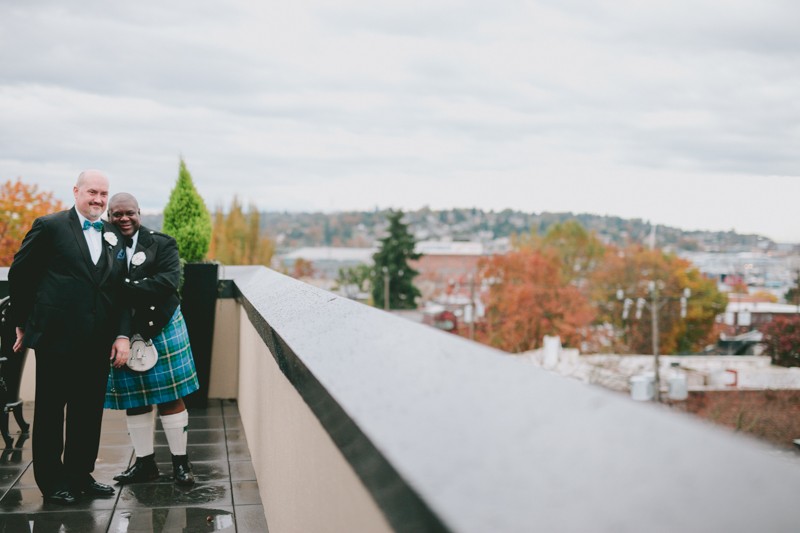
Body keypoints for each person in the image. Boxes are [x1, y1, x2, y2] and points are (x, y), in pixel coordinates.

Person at [8, 169, 131, 505]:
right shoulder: (50, 226)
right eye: (92, 192)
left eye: (104, 194)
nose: (98, 200)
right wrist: (22, 321)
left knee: (88, 411)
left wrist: (121, 334)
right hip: (56, 339)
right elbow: (21, 274)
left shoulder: (112, 234)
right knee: (50, 412)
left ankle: (80, 474)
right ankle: (52, 481)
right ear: (76, 191)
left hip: (98, 341)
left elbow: (120, 291)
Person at [104, 192, 199, 486]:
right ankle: (145, 464)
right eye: (117, 214)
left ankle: (181, 464)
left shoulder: (162, 242)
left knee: (171, 397)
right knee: (136, 399)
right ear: (110, 216)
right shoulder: (103, 245)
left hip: (163, 324)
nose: (123, 219)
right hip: (122, 331)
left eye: (128, 213)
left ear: (138, 213)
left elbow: (167, 283)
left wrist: (121, 286)